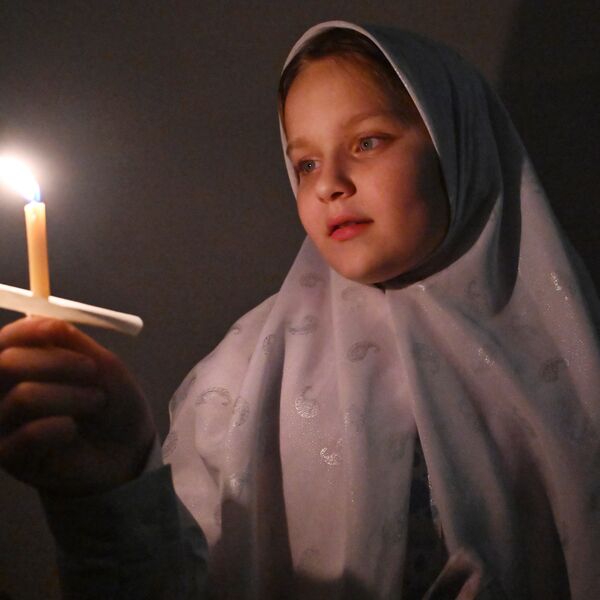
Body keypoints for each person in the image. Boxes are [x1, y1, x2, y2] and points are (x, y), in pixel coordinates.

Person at [1, 19, 599, 600]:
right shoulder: (242, 376)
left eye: (367, 142)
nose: (329, 183)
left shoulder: (572, 363)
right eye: (306, 162)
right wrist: (115, 490)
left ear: (457, 143)